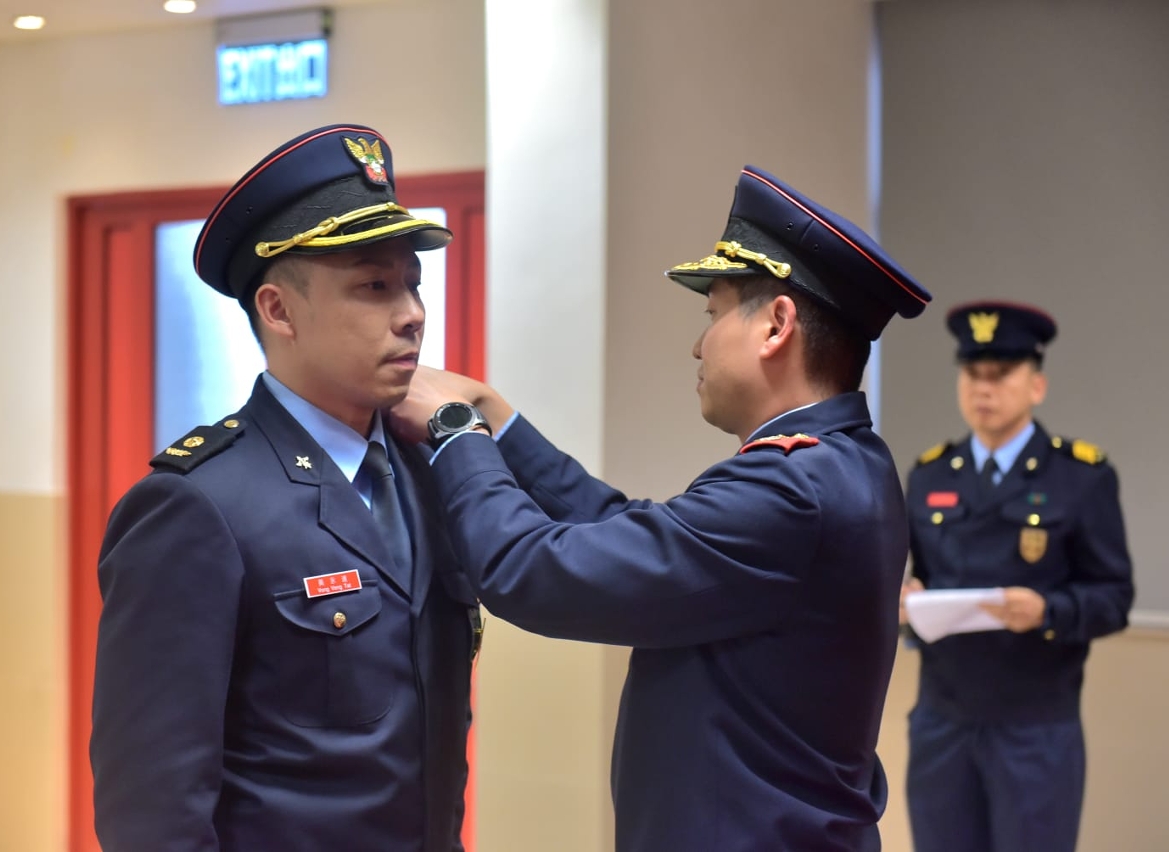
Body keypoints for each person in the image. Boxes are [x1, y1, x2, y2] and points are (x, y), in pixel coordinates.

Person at [387, 165, 933, 851]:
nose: (698, 345)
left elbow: (533, 573)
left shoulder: (793, 490)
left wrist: (457, 433)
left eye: (713, 315)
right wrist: (499, 419)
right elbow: (630, 532)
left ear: (776, 325)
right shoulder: (845, 461)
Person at [89, 124, 480, 852]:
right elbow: (152, 812)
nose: (412, 314)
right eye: (374, 286)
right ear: (278, 310)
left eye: (413, 283)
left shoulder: (429, 471)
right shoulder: (199, 504)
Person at [900, 301, 1134, 852]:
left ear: (1036, 385)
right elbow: (919, 577)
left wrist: (1048, 611)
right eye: (972, 374)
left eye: (1001, 373)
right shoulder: (931, 474)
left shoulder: (1081, 477)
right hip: (943, 720)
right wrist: (907, 600)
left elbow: (1114, 597)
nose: (984, 388)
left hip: (1034, 726)